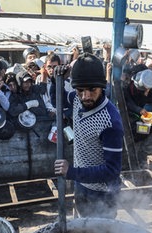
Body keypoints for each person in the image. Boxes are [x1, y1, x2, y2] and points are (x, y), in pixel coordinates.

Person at [53, 53, 124, 219]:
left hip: (102, 193)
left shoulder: (110, 121)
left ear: (102, 86)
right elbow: (57, 98)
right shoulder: (78, 100)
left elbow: (112, 170)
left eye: (92, 90)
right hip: (81, 184)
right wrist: (56, 80)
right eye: (80, 90)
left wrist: (71, 172)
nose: (86, 96)